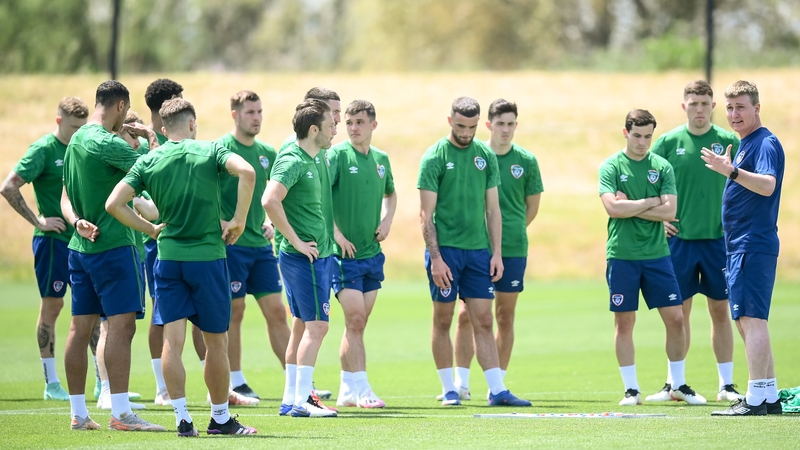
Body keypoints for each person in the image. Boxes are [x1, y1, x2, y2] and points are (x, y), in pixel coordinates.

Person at [106, 97, 258, 436]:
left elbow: (114, 203)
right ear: (192, 123)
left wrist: (150, 229)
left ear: (162, 128)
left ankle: (181, 419)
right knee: (215, 343)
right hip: (207, 260)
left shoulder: (149, 159)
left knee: (171, 344)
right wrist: (238, 221)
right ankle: (220, 419)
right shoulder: (211, 150)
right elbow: (248, 171)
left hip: (169, 259)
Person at [59, 80, 164, 431]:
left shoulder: (75, 141)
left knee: (78, 328)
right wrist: (151, 139)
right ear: (121, 107)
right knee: (121, 328)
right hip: (115, 246)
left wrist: (76, 221)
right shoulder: (106, 142)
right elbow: (155, 171)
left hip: (81, 249)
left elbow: (68, 193)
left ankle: (78, 413)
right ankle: (121, 413)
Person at [418, 97, 530, 407]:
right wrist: (436, 259)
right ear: (450, 120)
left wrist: (496, 253)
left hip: (479, 252)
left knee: (483, 319)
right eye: (460, 126)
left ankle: (497, 390)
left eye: (471, 127)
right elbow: (426, 215)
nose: (466, 133)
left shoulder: (484, 155)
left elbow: (493, 210)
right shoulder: (434, 157)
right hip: (447, 253)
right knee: (443, 319)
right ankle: (450, 388)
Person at [598, 109, 706, 406]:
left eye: (648, 136)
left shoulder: (662, 167)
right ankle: (631, 390)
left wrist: (632, 205)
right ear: (625, 133)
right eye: (637, 136)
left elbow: (670, 211)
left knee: (676, 319)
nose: (643, 142)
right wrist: (651, 202)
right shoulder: (610, 166)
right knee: (625, 323)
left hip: (658, 255)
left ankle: (679, 384)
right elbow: (613, 209)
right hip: (622, 255)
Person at [647, 80, 743, 403]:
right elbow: (648, 188)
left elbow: (745, 186)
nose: (699, 109)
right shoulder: (667, 143)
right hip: (680, 241)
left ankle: (726, 385)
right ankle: (675, 383)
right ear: (683, 106)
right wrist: (660, 222)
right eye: (693, 103)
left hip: (719, 241)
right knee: (679, 314)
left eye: (704, 103)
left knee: (720, 310)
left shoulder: (729, 141)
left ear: (713, 106)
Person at [0, 97, 92, 402]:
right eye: (74, 126)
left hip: (83, 241)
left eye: (83, 126)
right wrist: (37, 220)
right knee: (53, 307)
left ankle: (103, 383)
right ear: (59, 122)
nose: (78, 131)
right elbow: (9, 186)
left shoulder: (83, 147)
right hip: (53, 243)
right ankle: (51, 382)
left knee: (93, 310)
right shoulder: (43, 150)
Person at [704, 81, 785, 416]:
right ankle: (767, 395)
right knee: (748, 320)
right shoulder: (745, 142)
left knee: (751, 319)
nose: (734, 114)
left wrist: (732, 171)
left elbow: (767, 186)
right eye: (730, 108)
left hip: (752, 243)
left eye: (741, 107)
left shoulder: (764, 142)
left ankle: (754, 399)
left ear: (757, 108)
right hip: (742, 244)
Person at [263, 99, 338, 417]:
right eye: (331, 125)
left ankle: (291, 399)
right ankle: (305, 401)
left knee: (300, 327)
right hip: (303, 257)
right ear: (314, 129)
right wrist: (296, 241)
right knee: (318, 327)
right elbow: (269, 199)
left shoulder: (317, 156)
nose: (336, 129)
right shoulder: (294, 159)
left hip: (314, 255)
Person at [216, 90, 289, 400]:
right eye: (250, 112)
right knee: (235, 311)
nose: (256, 117)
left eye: (259, 112)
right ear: (235, 114)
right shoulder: (220, 149)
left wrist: (271, 222)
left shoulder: (267, 153)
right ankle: (235, 379)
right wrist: (218, 219)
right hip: (231, 245)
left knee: (277, 312)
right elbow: (206, 188)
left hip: (261, 247)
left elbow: (272, 197)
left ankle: (297, 379)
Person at [139, 78, 203, 406]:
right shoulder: (143, 145)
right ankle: (162, 388)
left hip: (191, 238)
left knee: (202, 317)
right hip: (159, 239)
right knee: (161, 314)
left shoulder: (177, 141)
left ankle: (215, 386)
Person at [329, 100, 396, 409]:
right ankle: (363, 390)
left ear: (373, 125)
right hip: (343, 256)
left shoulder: (381, 159)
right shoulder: (337, 156)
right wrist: (336, 234)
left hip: (371, 254)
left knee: (357, 324)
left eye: (359, 122)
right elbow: (319, 197)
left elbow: (391, 194)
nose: (353, 128)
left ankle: (346, 387)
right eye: (349, 122)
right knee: (355, 319)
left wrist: (387, 220)